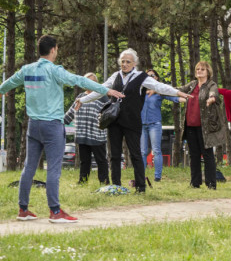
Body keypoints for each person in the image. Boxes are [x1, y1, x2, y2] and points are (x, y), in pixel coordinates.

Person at [0, 35, 124, 223]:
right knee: (54, 170)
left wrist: (2, 90)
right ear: (53, 50)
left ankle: (23, 209)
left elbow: (8, 84)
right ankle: (55, 211)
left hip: (33, 125)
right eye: (57, 49)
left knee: (29, 167)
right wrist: (105, 90)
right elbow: (79, 81)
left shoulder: (27, 70)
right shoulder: (55, 70)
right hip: (52, 126)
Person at [80, 49, 190, 193]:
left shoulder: (141, 77)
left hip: (132, 122)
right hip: (115, 121)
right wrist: (82, 100)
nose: (124, 64)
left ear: (134, 63)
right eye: (122, 61)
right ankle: (116, 186)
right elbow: (100, 90)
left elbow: (159, 86)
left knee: (136, 154)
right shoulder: (115, 76)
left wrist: (177, 92)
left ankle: (140, 187)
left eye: (128, 62)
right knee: (114, 154)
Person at [177, 61, 228, 189]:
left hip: (204, 127)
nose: (199, 71)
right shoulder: (192, 85)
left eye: (202, 69)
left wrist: (211, 99)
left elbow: (214, 93)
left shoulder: (211, 84)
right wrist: (159, 89)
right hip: (190, 125)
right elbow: (178, 90)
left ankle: (211, 183)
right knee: (193, 155)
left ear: (208, 72)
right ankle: (195, 183)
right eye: (198, 69)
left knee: (207, 155)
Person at [64, 73, 110, 185]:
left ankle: (104, 182)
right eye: (86, 81)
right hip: (82, 134)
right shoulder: (80, 97)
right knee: (84, 161)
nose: (89, 84)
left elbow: (109, 113)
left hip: (97, 134)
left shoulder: (102, 96)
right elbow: (71, 112)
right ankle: (83, 181)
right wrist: (60, 123)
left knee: (101, 160)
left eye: (92, 81)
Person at [140, 69, 183, 182]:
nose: (150, 77)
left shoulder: (159, 92)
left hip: (155, 124)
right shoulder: (140, 91)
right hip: (142, 124)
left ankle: (157, 176)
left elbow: (172, 96)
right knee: (143, 151)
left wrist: (182, 98)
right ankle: (141, 176)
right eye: (147, 76)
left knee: (156, 150)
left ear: (157, 78)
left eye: (152, 75)